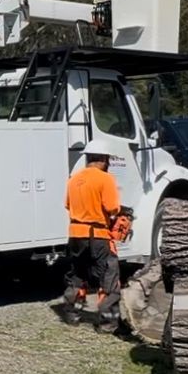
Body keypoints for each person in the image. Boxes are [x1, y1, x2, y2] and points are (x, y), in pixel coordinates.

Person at [60, 139, 124, 333]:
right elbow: (112, 207)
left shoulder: (74, 179)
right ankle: (107, 323)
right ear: (104, 159)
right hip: (98, 234)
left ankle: (72, 314)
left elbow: (68, 205)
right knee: (109, 277)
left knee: (78, 275)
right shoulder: (105, 179)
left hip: (76, 234)